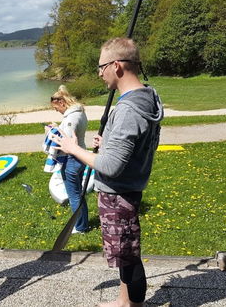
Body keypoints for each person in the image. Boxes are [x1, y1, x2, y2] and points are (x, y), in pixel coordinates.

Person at [53, 38, 164, 307]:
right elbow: (137, 144)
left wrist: (73, 148)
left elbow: (111, 167)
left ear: (116, 66)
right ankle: (123, 301)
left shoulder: (128, 109)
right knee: (125, 255)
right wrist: (110, 142)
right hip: (128, 187)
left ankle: (133, 305)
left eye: (101, 67)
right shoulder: (148, 96)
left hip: (119, 194)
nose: (99, 73)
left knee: (128, 258)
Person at [48, 85, 89, 233]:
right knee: (78, 193)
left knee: (74, 195)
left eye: (55, 107)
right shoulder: (79, 112)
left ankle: (80, 227)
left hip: (73, 158)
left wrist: (51, 132)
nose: (56, 110)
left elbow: (66, 138)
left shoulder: (71, 117)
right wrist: (58, 126)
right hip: (81, 156)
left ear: (62, 103)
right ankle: (82, 223)